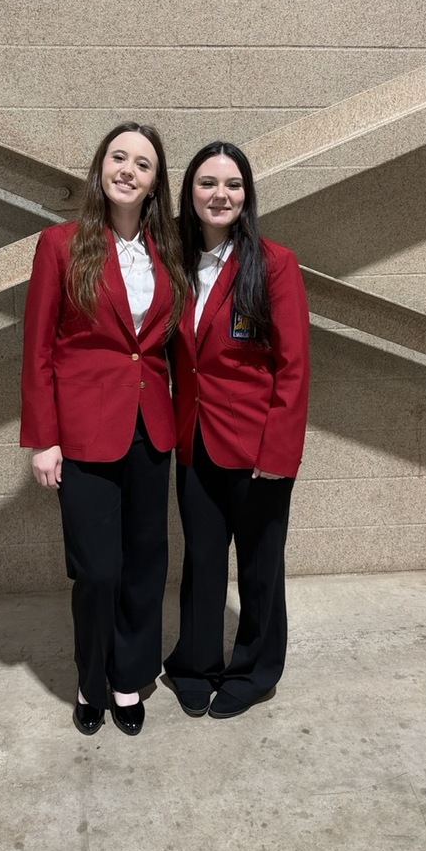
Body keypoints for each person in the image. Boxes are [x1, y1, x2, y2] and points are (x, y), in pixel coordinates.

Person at [21, 122, 186, 736]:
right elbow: (38, 348)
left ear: (153, 182)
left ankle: (127, 680)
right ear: (101, 168)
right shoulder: (60, 245)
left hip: (152, 430)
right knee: (96, 568)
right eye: (118, 158)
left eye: (142, 164)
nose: (128, 170)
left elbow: (160, 349)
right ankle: (92, 680)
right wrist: (44, 437)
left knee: (145, 563)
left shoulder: (165, 251)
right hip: (84, 432)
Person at [164, 141, 310, 719]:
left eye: (232, 185)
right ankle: (194, 663)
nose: (219, 195)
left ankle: (255, 668)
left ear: (246, 195)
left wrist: (279, 452)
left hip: (258, 446)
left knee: (259, 563)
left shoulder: (274, 263)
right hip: (194, 440)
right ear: (189, 192)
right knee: (202, 559)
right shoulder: (172, 259)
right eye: (207, 183)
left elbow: (293, 366)